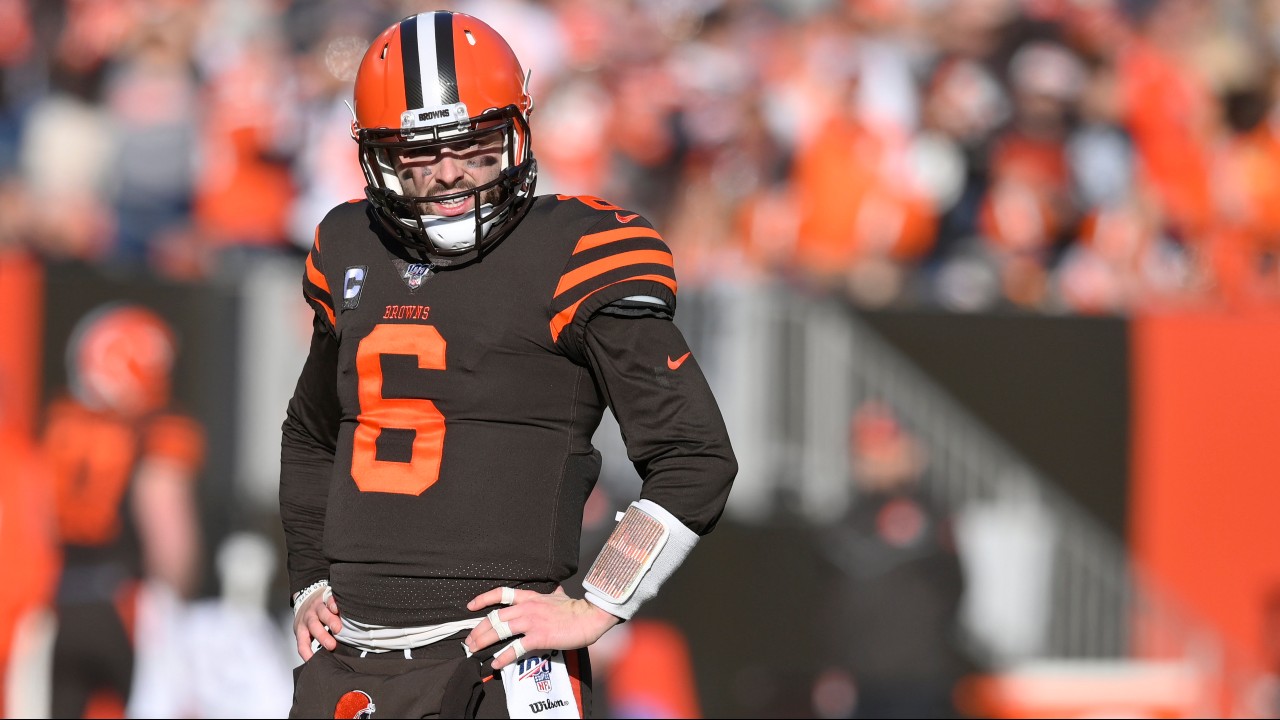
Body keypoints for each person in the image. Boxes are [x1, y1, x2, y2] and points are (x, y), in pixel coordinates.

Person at [279, 10, 737, 720]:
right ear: (379, 156)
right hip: (351, 662)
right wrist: (309, 576)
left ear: (517, 131)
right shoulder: (348, 244)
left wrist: (597, 602)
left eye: (476, 143)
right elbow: (311, 434)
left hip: (501, 665)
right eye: (420, 152)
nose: (451, 173)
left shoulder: (579, 248)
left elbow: (695, 455)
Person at [40, 303, 205, 719]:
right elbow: (170, 544)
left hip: (55, 607)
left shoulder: (55, 424)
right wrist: (178, 606)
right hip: (123, 605)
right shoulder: (156, 431)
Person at [815, 400, 968, 719]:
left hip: (918, 679)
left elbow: (956, 586)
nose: (872, 460)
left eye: (883, 448)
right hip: (860, 680)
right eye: (864, 451)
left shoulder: (930, 511)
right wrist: (833, 668)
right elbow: (832, 605)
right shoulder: (848, 519)